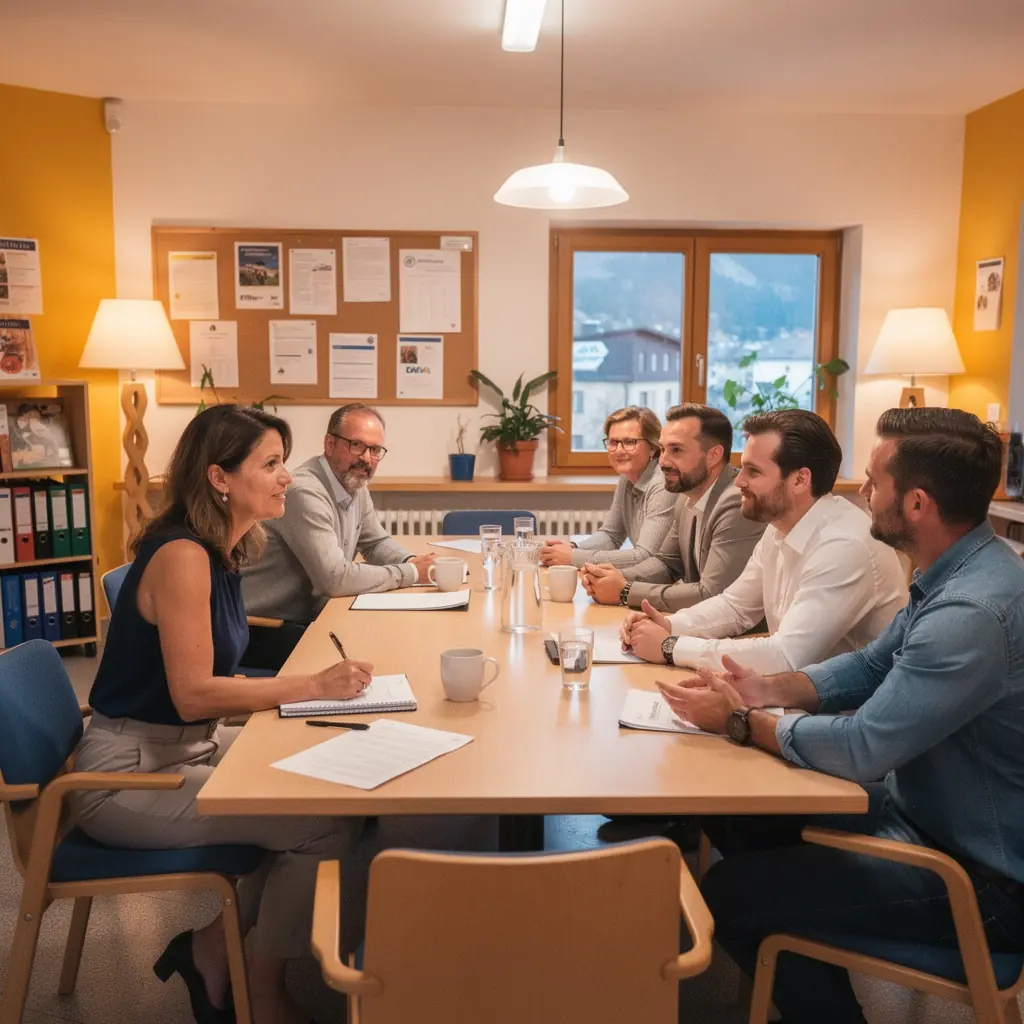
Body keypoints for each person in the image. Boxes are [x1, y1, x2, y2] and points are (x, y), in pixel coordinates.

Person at [657, 408, 1024, 1024]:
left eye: (874, 481)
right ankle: (804, 938)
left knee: (730, 894)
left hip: (980, 881)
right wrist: (763, 688)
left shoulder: (971, 612)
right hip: (924, 813)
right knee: (739, 814)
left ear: (917, 504)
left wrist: (742, 721)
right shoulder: (959, 569)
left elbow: (862, 747)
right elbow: (868, 666)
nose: (860, 492)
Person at [69, 405, 372, 1024]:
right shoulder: (183, 556)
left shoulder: (222, 549)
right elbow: (194, 695)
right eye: (271, 463)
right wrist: (311, 686)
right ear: (220, 478)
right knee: (323, 825)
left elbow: (205, 684)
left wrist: (299, 694)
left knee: (339, 781)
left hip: (183, 748)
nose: (287, 476)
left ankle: (212, 948)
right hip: (127, 776)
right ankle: (260, 987)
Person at [622, 409, 906, 673]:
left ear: (800, 480)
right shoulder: (780, 525)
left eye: (753, 471)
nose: (738, 481)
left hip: (846, 706)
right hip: (796, 693)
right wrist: (668, 624)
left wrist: (670, 646)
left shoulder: (843, 546)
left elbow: (785, 656)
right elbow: (736, 606)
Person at [241, 403, 434, 669]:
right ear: (329, 444)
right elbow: (334, 579)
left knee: (394, 639)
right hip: (265, 627)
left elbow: (375, 542)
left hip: (310, 615)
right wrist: (410, 573)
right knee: (376, 652)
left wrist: (413, 561)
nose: (366, 458)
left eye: (375, 450)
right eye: (357, 445)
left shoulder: (353, 483)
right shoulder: (305, 492)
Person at [581, 404, 765, 610]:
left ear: (713, 455)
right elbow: (666, 564)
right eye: (663, 449)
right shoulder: (686, 495)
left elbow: (711, 594)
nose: (663, 462)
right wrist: (611, 578)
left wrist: (625, 590)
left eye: (676, 450)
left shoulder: (735, 502)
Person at [540, 406, 676, 570]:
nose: (619, 450)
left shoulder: (662, 485)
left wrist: (573, 557)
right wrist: (573, 547)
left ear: (653, 447)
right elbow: (611, 535)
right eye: (613, 442)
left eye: (629, 442)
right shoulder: (626, 479)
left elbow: (646, 557)